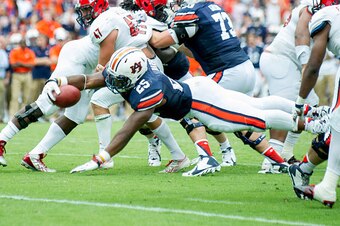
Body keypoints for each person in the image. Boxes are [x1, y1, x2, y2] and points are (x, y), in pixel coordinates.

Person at [43, 47, 329, 176]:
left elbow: (130, 127)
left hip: (202, 104)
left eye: (118, 79)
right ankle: (310, 111)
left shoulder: (148, 88)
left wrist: (100, 158)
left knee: (256, 119)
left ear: (133, 74)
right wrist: (61, 80)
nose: (113, 83)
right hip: (199, 89)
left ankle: (313, 123)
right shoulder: (132, 74)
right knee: (256, 106)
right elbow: (93, 80)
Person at [141, 0, 288, 172]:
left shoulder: (191, 12)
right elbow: (201, 46)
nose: (174, 6)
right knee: (243, 121)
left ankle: (206, 158)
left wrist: (142, 27)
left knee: (192, 106)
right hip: (243, 67)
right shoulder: (212, 7)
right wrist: (175, 47)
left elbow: (158, 41)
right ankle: (278, 161)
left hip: (227, 71)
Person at [75, 0, 190, 171]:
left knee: (104, 101)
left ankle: (105, 156)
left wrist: (88, 79)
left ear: (97, 6)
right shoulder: (116, 12)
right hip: (144, 63)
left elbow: (103, 67)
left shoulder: (102, 24)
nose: (83, 15)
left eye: (86, 9)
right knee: (147, 114)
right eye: (82, 10)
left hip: (139, 68)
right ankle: (175, 154)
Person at [259, 0, 328, 172]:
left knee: (309, 104)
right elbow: (300, 34)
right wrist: (305, 64)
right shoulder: (312, 6)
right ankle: (271, 161)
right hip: (280, 60)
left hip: (287, 62)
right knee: (288, 108)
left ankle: (285, 153)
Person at [289, 4, 340, 208]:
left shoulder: (326, 15)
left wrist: (300, 102)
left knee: (336, 121)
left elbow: (312, 67)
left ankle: (327, 186)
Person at [8, 34, 36, 117]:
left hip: (27, 75)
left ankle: (23, 115)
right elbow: (13, 65)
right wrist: (25, 64)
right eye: (22, 42)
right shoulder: (15, 52)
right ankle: (12, 115)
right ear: (20, 43)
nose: (23, 44)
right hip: (17, 75)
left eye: (24, 43)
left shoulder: (30, 52)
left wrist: (20, 63)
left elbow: (32, 65)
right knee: (15, 96)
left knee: (26, 96)